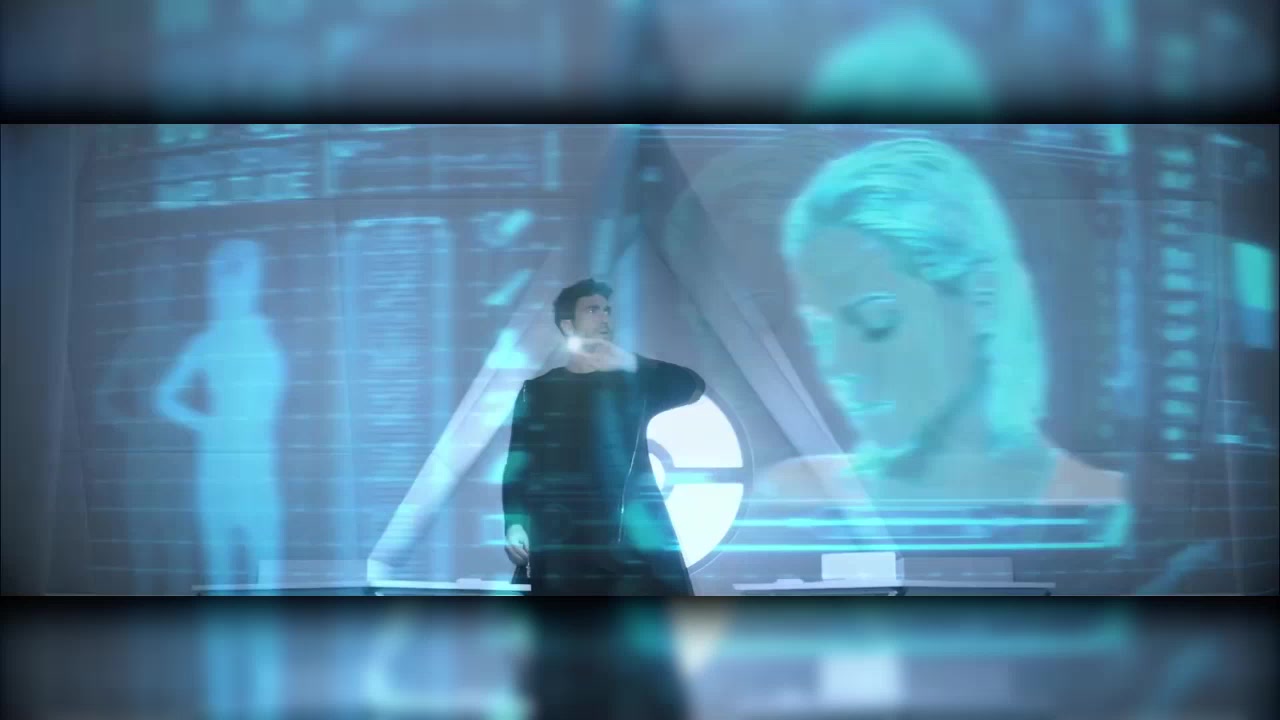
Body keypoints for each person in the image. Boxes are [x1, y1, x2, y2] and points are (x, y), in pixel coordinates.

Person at [766, 138, 1125, 520]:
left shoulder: (1108, 508)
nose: (839, 364)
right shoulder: (794, 498)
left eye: (877, 319)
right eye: (820, 333)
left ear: (982, 299)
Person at [502, 278, 706, 595]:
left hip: (630, 540)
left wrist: (630, 363)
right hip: (562, 544)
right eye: (593, 310)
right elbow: (519, 463)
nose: (604, 318)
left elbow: (692, 386)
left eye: (607, 310)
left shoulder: (631, 382)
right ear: (568, 325)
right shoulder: (538, 391)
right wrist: (515, 522)